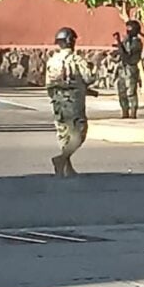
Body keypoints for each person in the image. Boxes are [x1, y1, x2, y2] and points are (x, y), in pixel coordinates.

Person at [45, 27, 95, 177]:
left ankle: (67, 168)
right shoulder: (76, 60)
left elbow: (49, 84)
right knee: (79, 133)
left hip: (57, 102)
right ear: (70, 41)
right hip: (73, 102)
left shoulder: (52, 60)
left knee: (64, 134)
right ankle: (62, 159)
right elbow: (89, 78)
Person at [114, 20, 143, 119]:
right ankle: (124, 111)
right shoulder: (127, 40)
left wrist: (118, 42)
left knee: (131, 92)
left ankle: (133, 112)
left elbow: (127, 56)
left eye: (129, 28)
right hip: (123, 68)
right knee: (121, 91)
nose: (127, 30)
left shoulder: (136, 42)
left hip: (131, 68)